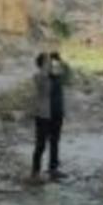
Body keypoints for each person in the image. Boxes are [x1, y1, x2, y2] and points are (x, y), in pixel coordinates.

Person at [30, 52, 70, 183]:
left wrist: (60, 60)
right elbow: (42, 78)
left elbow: (69, 74)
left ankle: (53, 169)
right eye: (48, 62)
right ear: (42, 65)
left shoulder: (56, 76)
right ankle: (35, 172)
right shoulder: (39, 77)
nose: (51, 64)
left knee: (55, 142)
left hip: (57, 113)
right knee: (40, 144)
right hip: (43, 115)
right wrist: (46, 67)